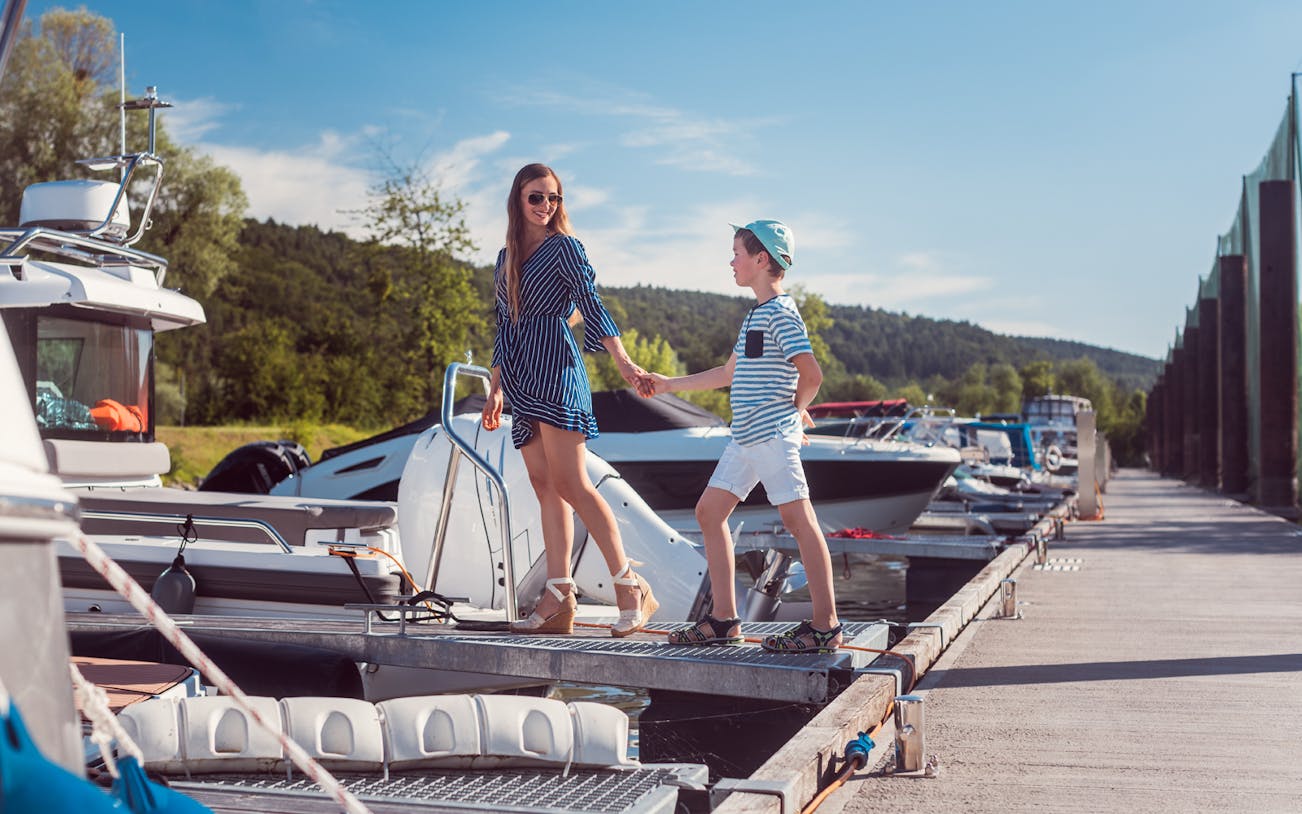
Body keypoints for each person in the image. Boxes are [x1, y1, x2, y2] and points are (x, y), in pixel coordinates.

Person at [646, 220, 842, 653]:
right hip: (746, 439)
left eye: (736, 253)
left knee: (799, 522)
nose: (730, 261)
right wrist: (667, 385)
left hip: (771, 435)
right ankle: (724, 621)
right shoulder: (755, 315)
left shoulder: (782, 313)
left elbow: (811, 374)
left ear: (760, 259)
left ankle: (826, 626)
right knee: (708, 513)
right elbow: (727, 374)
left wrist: (794, 414)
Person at [481, 163, 658, 637]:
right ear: (517, 200)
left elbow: (591, 302)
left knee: (573, 483)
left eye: (553, 198)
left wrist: (622, 362)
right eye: (536, 197)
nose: (545, 206)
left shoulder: (564, 248)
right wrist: (495, 388)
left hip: (557, 370)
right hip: (520, 378)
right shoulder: (505, 258)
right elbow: (503, 324)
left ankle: (629, 585)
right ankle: (559, 596)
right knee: (544, 486)